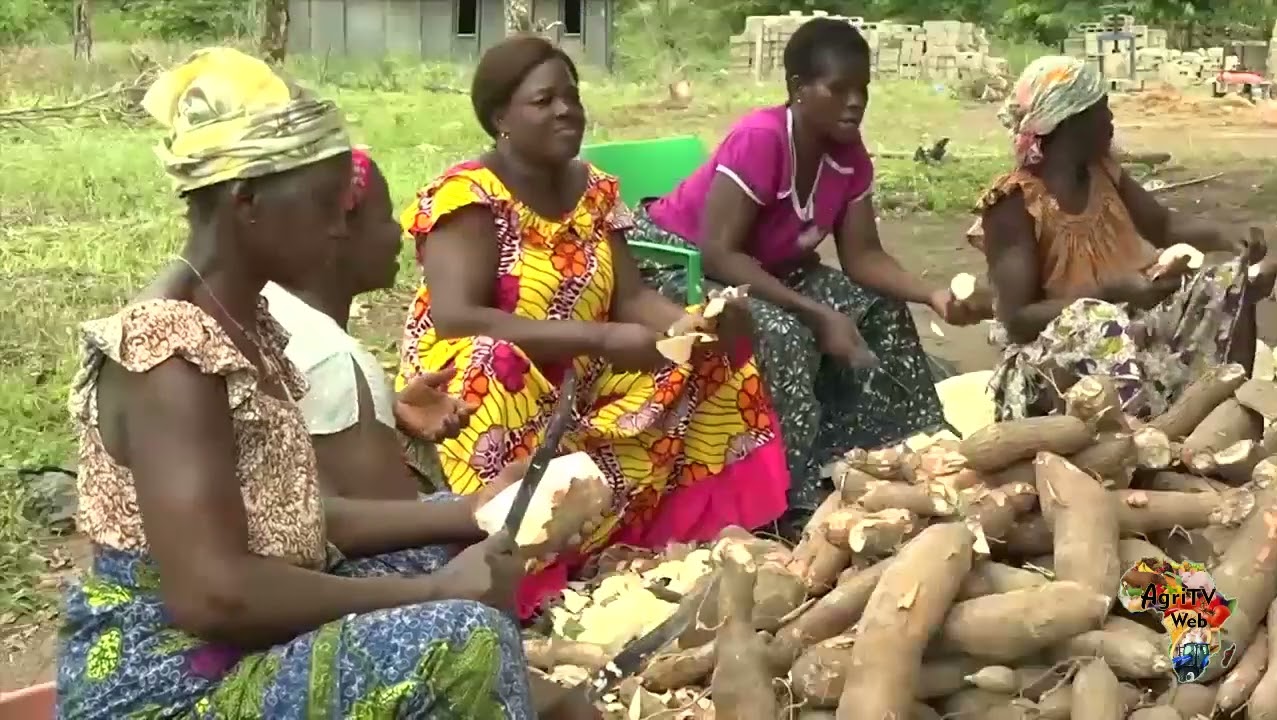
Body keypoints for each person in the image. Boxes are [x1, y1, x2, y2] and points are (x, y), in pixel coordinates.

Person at [57, 48, 536, 719]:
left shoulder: (239, 322)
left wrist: (467, 511)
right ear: (245, 200)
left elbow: (287, 517)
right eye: (323, 205)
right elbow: (213, 594)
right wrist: (433, 592)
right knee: (462, 635)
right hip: (171, 679)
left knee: (446, 546)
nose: (340, 227)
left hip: (228, 638)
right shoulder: (168, 356)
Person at [396, 35, 791, 619]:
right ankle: (516, 563)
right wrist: (603, 339)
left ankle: (667, 538)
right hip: (488, 376)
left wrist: (694, 323)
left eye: (572, 97)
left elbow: (629, 296)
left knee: (711, 358)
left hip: (581, 370)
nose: (566, 111)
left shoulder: (595, 189)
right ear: (500, 116)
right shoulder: (469, 196)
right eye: (544, 100)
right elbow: (459, 317)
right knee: (491, 362)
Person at [629, 18, 982, 532]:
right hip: (678, 262)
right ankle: (787, 503)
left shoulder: (850, 157)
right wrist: (817, 316)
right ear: (797, 89)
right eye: (838, 89)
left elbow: (863, 257)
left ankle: (896, 454)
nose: (855, 102)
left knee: (879, 307)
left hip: (766, 269)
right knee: (782, 334)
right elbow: (719, 254)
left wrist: (932, 294)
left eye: (862, 88)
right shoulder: (762, 139)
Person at [968, 55, 1277, 421]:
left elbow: (1162, 226)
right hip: (1051, 362)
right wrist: (1112, 295)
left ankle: (1228, 413)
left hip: (1126, 334)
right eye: (1102, 109)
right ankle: (1134, 437)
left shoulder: (1105, 174)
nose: (1111, 119)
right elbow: (1017, 319)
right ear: (1070, 121)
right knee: (1094, 318)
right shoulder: (1013, 205)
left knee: (1222, 281)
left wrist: (1227, 236)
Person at [262, 147, 474, 500]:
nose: (398, 232)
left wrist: (386, 415)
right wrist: (490, 503)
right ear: (338, 230)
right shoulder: (335, 361)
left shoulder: (266, 308)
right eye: (386, 217)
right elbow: (393, 527)